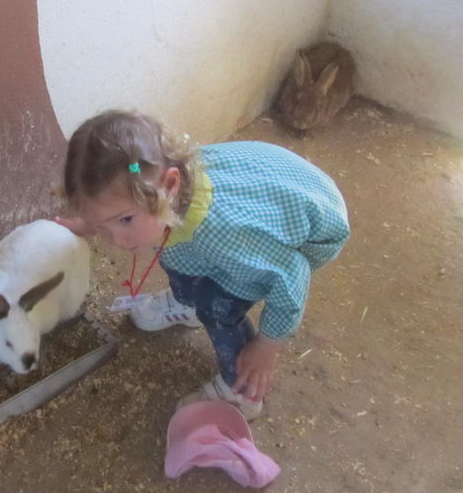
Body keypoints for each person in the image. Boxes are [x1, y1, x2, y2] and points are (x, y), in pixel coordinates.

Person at [57, 110, 349, 419]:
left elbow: (292, 274)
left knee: (217, 304)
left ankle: (241, 391)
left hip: (310, 230)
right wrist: (93, 223)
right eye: (103, 226)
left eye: (124, 220)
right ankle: (187, 304)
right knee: (170, 250)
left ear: (170, 185)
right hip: (264, 191)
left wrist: (267, 345)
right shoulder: (155, 183)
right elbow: (127, 213)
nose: (116, 241)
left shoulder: (224, 235)